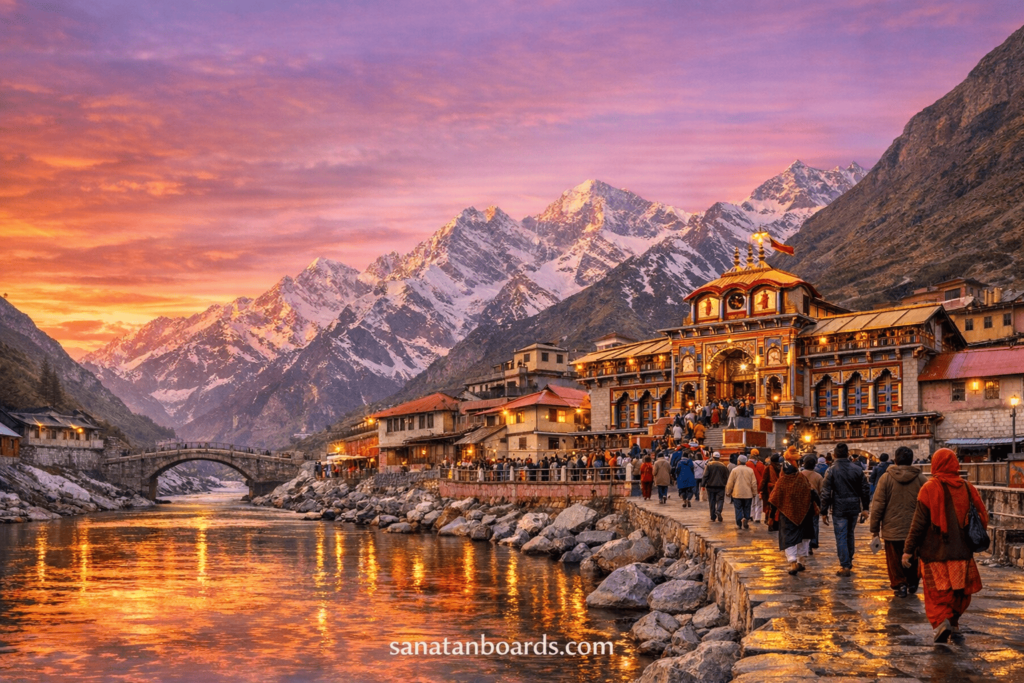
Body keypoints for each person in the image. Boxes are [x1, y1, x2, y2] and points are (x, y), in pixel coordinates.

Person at [903, 448, 989, 643]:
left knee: (937, 592)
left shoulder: (929, 488)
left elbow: (918, 524)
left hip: (935, 553)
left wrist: (908, 550)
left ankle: (942, 622)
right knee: (960, 591)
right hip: (962, 552)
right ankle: (955, 624)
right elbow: (983, 517)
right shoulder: (967, 487)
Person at [869, 446, 928, 598]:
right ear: (911, 460)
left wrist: (874, 528)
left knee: (894, 559)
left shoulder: (886, 478)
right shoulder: (921, 479)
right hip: (915, 528)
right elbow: (928, 505)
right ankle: (913, 582)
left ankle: (900, 584)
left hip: (891, 528)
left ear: (895, 459)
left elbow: (878, 505)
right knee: (913, 556)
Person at [820, 443, 870, 577]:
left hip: (839, 507)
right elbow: (865, 490)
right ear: (848, 454)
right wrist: (865, 508)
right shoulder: (857, 469)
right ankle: (849, 560)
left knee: (841, 536)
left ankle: (845, 564)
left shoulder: (831, 470)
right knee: (850, 534)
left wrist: (823, 511)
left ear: (835, 455)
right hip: (854, 506)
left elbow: (825, 492)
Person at [770, 456, 819, 575]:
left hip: (787, 516)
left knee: (789, 539)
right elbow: (812, 493)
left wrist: (771, 516)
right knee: (803, 538)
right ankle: (801, 562)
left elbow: (774, 500)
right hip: (804, 514)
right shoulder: (802, 479)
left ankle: (793, 563)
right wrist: (818, 507)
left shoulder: (782, 481)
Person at [726, 455, 758, 528]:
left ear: (738, 461)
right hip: (748, 493)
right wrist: (754, 492)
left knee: (738, 508)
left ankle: (739, 522)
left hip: (737, 493)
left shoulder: (734, 470)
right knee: (747, 508)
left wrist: (728, 491)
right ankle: (746, 518)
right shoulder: (750, 470)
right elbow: (753, 483)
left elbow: (730, 482)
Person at [800, 455, 824, 552]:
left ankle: (805, 545)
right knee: (814, 523)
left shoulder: (799, 474)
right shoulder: (818, 476)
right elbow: (821, 491)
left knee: (803, 524)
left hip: (801, 503)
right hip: (814, 502)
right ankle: (813, 541)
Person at [702, 452, 730, 522]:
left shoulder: (709, 465)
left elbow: (705, 475)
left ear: (713, 457)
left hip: (710, 486)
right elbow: (727, 476)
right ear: (719, 458)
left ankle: (713, 516)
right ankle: (718, 511)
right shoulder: (723, 465)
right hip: (721, 486)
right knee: (720, 499)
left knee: (712, 501)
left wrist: (703, 484)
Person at [760, 454, 782, 531]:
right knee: (777, 507)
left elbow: (764, 480)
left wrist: (761, 489)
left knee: (770, 508)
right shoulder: (782, 468)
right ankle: (777, 522)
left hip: (770, 491)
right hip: (779, 490)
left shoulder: (768, 468)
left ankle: (770, 523)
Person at [750, 451, 765, 523]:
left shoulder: (747, 464)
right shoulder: (761, 465)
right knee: (758, 503)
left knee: (751, 502)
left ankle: (751, 515)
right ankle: (757, 518)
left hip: (750, 486)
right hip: (759, 485)